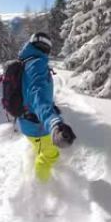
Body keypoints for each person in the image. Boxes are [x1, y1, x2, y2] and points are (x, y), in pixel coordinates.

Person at [18, 32, 76, 182]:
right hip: (36, 126)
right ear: (47, 49)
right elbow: (38, 97)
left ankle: (38, 165)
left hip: (30, 120)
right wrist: (54, 124)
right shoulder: (37, 65)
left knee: (43, 151)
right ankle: (41, 186)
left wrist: (51, 107)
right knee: (50, 155)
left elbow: (33, 94)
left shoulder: (29, 61)